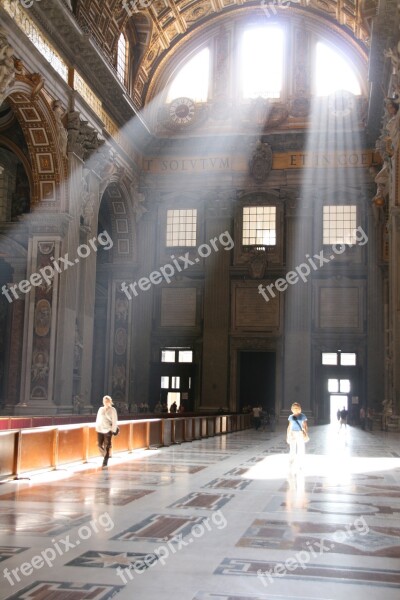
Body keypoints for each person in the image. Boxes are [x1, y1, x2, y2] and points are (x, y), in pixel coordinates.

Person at [95, 395, 118, 468]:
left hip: (108, 429)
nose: (105, 402)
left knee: (107, 446)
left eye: (107, 401)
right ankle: (106, 454)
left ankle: (105, 461)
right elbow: (98, 418)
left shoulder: (112, 410)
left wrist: (113, 430)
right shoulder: (100, 409)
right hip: (100, 429)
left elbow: (114, 420)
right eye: (104, 401)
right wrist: (97, 427)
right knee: (99, 444)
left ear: (110, 401)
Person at [287, 402, 308, 467]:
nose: (295, 409)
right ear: (292, 409)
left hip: (300, 433)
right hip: (293, 433)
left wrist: (306, 433)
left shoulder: (303, 416)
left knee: (301, 447)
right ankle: (292, 459)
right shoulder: (290, 416)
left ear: (299, 408)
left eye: (297, 408)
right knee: (292, 447)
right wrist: (288, 435)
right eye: (294, 408)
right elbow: (289, 426)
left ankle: (300, 460)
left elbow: (305, 425)